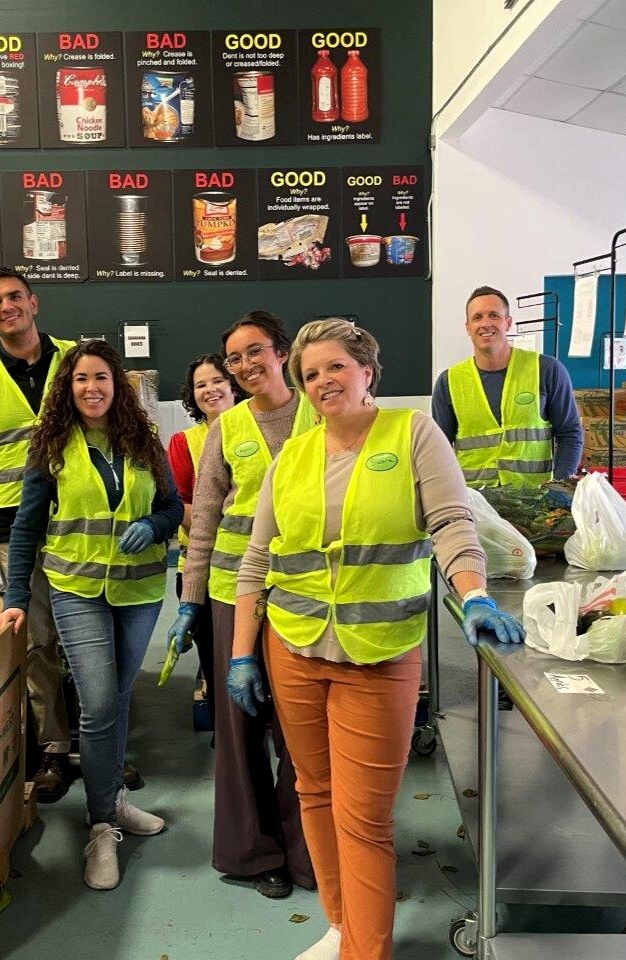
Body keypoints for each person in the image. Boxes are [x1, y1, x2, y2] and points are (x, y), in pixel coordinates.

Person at [229, 318, 525, 960]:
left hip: (378, 654)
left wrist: (473, 593)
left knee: (364, 819)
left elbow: (451, 523)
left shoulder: (414, 433)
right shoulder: (293, 456)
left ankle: (367, 951)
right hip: (295, 647)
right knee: (313, 792)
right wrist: (241, 653)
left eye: (335, 366)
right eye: (310, 374)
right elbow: (257, 559)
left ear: (366, 369)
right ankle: (341, 926)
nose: (322, 381)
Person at [0, 339, 183, 891]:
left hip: (140, 590)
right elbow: (26, 525)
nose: (92, 388)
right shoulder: (50, 445)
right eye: (81, 379)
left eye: (101, 377)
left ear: (116, 384)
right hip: (76, 589)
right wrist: (14, 598)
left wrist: (157, 525)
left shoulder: (145, 443)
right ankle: (102, 827)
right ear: (67, 388)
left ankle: (113, 802)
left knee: (119, 696)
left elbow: (172, 506)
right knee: (99, 701)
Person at [168, 311, 316, 899]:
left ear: (281, 351)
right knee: (240, 726)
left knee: (301, 727)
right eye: (234, 358)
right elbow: (202, 521)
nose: (245, 365)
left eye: (255, 352)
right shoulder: (226, 429)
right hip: (235, 593)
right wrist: (190, 601)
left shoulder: (318, 409)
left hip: (308, 591)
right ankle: (255, 855)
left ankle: (309, 851)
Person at [0, 266, 76, 803]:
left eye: (14, 297)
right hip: (12, 528)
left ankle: (101, 743)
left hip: (84, 520)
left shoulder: (78, 360)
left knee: (93, 639)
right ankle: (53, 746)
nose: (7, 307)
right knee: (39, 640)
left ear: (34, 302)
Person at [431, 285, 583, 486]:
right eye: (477, 317)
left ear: (508, 323)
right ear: (467, 327)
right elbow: (437, 450)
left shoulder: (546, 370)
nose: (485, 323)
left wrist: (559, 487)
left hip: (535, 503)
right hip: (475, 504)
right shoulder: (448, 382)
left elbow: (570, 434)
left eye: (494, 315)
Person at [166, 354, 243, 729]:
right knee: (216, 661)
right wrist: (235, 524)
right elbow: (179, 505)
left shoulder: (256, 433)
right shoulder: (185, 443)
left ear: (234, 386)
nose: (210, 390)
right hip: (202, 569)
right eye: (201, 384)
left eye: (218, 381)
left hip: (261, 568)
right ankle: (226, 737)